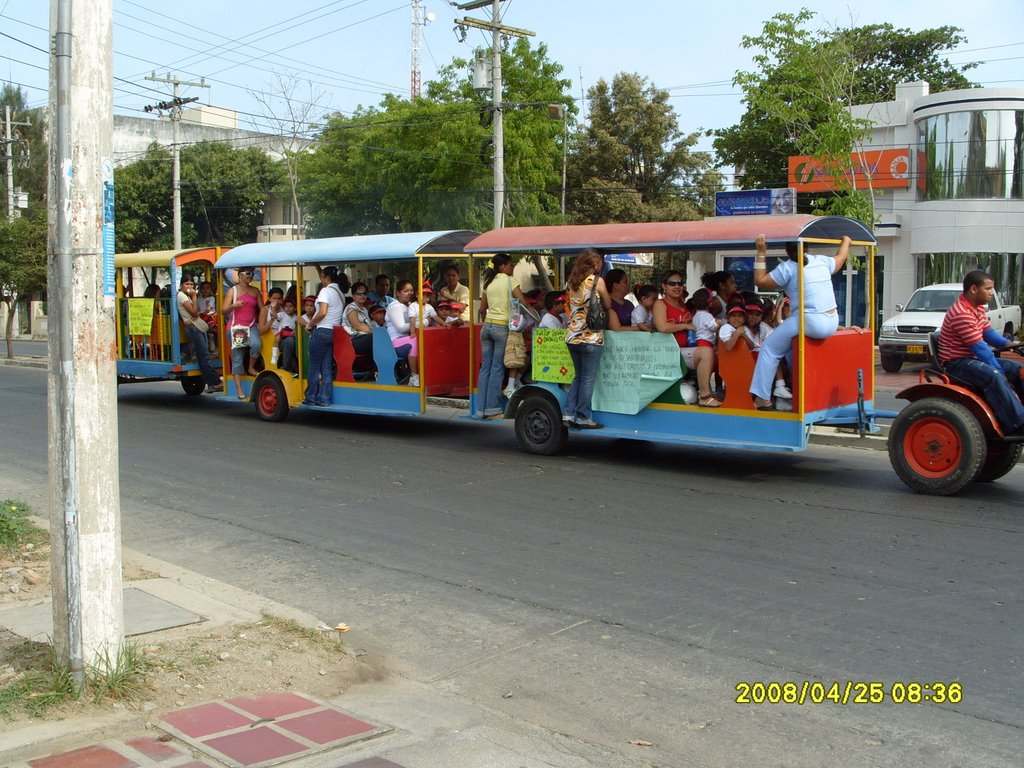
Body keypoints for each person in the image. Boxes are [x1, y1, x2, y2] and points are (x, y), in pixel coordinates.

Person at [750, 233, 850, 410]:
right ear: (808, 247)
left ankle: (763, 398)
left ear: (787, 251)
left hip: (809, 321)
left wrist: (761, 252)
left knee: (769, 349)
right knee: (789, 349)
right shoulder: (821, 260)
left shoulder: (788, 267)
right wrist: (846, 241)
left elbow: (760, 281)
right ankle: (788, 388)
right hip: (832, 320)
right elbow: (841, 257)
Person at [938, 270, 1024, 433]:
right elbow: (981, 349)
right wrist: (1000, 372)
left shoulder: (976, 309)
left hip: (971, 359)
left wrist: (1011, 345)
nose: (992, 293)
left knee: (1018, 369)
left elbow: (989, 334)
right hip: (956, 363)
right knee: (993, 375)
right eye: (988, 289)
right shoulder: (961, 313)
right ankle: (1017, 423)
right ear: (974, 289)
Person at [653, 271, 719, 407]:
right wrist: (686, 325)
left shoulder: (683, 305)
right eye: (672, 283)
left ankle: (708, 390)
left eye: (680, 283)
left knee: (715, 352)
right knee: (706, 352)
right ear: (664, 286)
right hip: (669, 352)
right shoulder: (660, 304)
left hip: (684, 350)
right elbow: (662, 327)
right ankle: (705, 396)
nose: (677, 286)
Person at [476, 253, 529, 418]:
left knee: (486, 368)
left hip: (486, 328)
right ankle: (492, 409)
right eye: (509, 264)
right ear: (502, 267)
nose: (512, 267)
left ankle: (480, 409)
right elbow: (523, 302)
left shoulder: (488, 283)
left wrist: (487, 322)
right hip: (501, 328)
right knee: (497, 368)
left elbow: (482, 309)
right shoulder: (510, 280)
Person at [562, 248, 608, 429]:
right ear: (595, 264)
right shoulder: (598, 281)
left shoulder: (572, 282)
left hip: (572, 336)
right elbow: (608, 303)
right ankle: (583, 417)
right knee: (587, 379)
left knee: (577, 377)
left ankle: (567, 414)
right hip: (591, 338)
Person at [302, 265, 345, 406]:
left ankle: (310, 397)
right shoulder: (340, 292)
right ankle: (324, 398)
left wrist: (310, 324)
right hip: (334, 332)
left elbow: (322, 312)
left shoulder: (325, 291)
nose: (321, 279)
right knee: (326, 368)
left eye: (322, 277)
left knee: (314, 366)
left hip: (321, 331)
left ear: (326, 277)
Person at [222, 267, 264, 399]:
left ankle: (251, 367)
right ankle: (239, 390)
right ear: (239, 275)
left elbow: (262, 308)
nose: (250, 276)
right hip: (236, 327)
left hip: (251, 325)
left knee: (256, 344)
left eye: (251, 273)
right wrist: (234, 306)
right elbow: (223, 311)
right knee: (238, 358)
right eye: (247, 273)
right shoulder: (232, 291)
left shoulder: (255, 291)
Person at [176, 276, 223, 393]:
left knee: (204, 354)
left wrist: (193, 300)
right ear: (181, 285)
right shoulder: (181, 296)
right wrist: (194, 297)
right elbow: (195, 312)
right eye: (187, 284)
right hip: (193, 328)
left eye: (191, 284)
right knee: (204, 355)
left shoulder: (187, 296)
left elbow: (195, 312)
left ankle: (213, 381)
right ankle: (214, 382)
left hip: (196, 327)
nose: (189, 287)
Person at [385, 280, 421, 387]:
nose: (409, 293)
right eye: (406, 291)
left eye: (411, 290)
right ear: (398, 293)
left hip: (405, 339)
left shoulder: (411, 306)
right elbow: (400, 328)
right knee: (415, 340)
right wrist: (420, 323)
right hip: (394, 342)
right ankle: (414, 376)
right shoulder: (395, 306)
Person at [342, 281, 375, 356]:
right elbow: (357, 326)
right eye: (359, 294)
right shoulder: (351, 308)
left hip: (363, 338)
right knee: (375, 338)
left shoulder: (364, 309)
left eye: (364, 293)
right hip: (351, 340)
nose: (362, 296)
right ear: (353, 296)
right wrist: (374, 332)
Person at [277, 296, 298, 373]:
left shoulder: (296, 317)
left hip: (293, 338)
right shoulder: (282, 314)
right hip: (282, 340)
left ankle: (294, 367)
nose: (288, 308)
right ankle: (286, 367)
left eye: (290, 306)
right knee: (290, 341)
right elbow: (276, 317)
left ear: (295, 308)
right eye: (286, 306)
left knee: (292, 343)